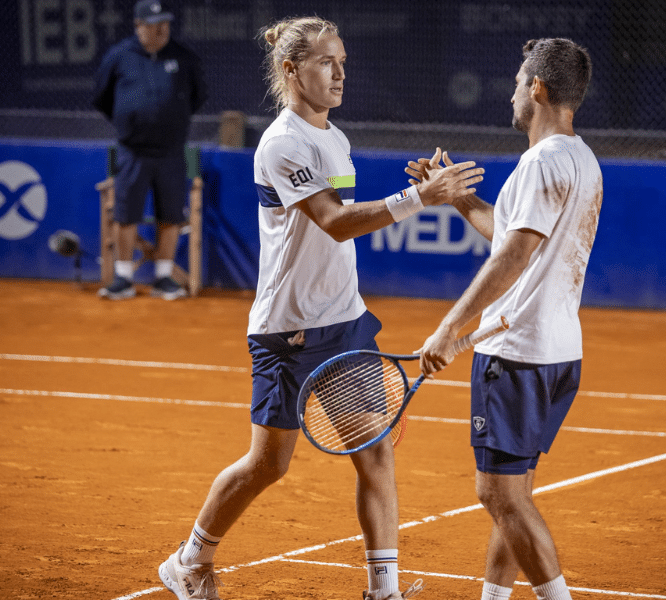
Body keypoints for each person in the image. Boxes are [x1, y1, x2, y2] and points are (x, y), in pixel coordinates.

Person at [156, 16, 484, 600]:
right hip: (290, 332)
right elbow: (334, 223)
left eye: (343, 62)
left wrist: (421, 193)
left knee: (374, 450)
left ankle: (383, 590)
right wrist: (420, 198)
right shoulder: (283, 143)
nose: (338, 74)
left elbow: (344, 223)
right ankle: (188, 560)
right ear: (290, 70)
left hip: (345, 319)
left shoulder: (333, 137)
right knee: (268, 466)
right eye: (325, 63)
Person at [412, 38, 601, 600]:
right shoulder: (580, 158)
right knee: (513, 491)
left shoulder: (539, 163)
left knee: (498, 494)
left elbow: (513, 258)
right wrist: (461, 202)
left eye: (520, 83)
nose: (514, 92)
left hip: (516, 354)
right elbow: (515, 237)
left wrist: (450, 329)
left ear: (538, 90)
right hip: (559, 352)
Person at [92, 0, 207, 300]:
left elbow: (198, 95)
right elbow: (102, 97)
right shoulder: (118, 57)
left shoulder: (184, 57)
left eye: (165, 25)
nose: (161, 31)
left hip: (171, 151)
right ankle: (124, 278)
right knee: (126, 214)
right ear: (138, 26)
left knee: (170, 214)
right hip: (132, 151)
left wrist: (170, 120)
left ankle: (163, 278)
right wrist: (130, 121)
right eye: (154, 26)